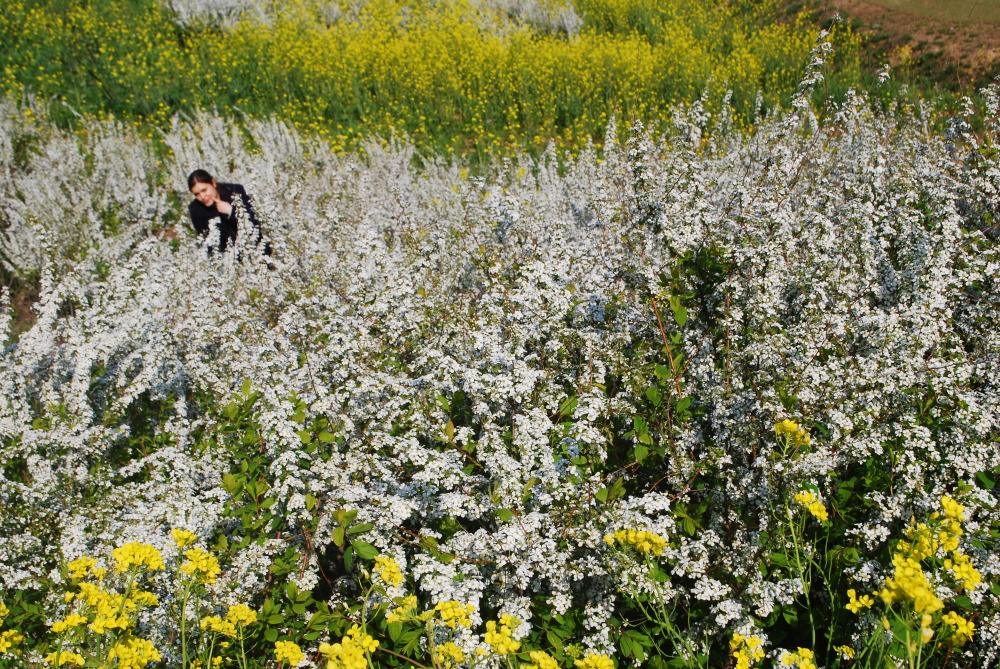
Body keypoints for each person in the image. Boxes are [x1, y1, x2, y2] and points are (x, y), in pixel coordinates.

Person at [187, 169, 268, 255]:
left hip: (258, 245)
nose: (202, 197)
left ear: (213, 183)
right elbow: (208, 242)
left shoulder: (235, 191)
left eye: (204, 190)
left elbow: (256, 220)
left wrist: (231, 211)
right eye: (197, 194)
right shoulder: (196, 210)